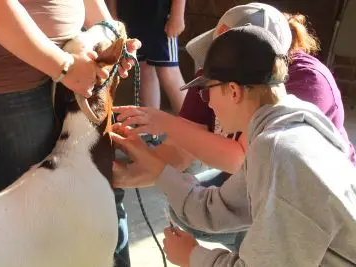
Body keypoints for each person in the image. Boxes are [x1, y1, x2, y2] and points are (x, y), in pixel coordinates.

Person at [111, 3, 356, 251]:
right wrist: (126, 176)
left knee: (254, 232)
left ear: (235, 89)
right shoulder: (219, 73)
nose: (207, 99)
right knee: (189, 206)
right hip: (258, 176)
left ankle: (249, 245)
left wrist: (164, 122)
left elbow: (240, 158)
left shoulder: (305, 84)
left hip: (308, 203)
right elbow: (180, 150)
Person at [0, 1, 139, 266]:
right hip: (13, 83)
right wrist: (63, 66)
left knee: (101, 197)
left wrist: (110, 35)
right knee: (33, 230)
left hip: (76, 66)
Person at [108, 0, 187, 114]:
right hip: (128, 14)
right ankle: (148, 127)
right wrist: (112, 13)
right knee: (143, 69)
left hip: (161, 15)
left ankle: (192, 124)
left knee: (168, 72)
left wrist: (177, 14)